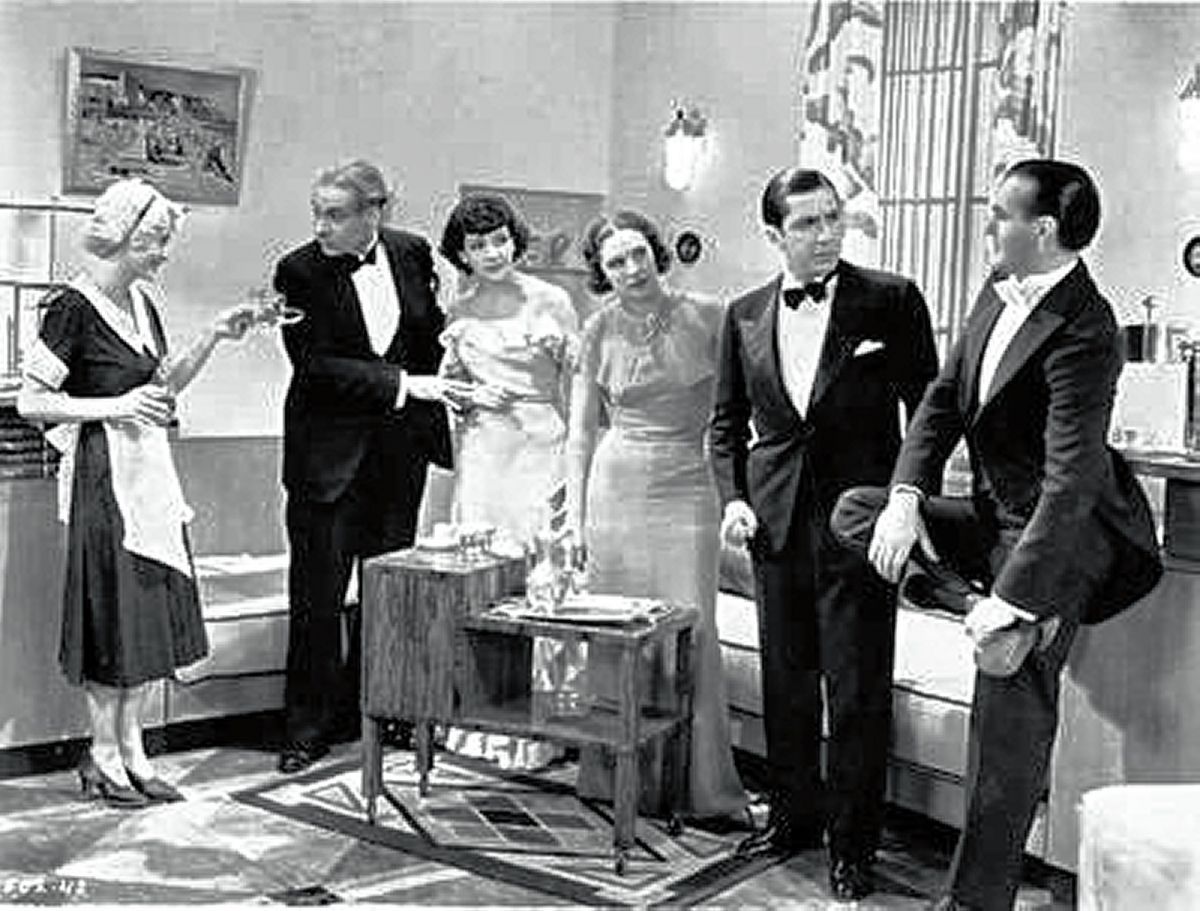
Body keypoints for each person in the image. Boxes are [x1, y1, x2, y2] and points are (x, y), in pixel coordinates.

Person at [832, 159, 1164, 911]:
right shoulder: (997, 286)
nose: (988, 226)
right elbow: (943, 399)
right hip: (992, 518)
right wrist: (907, 497)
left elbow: (1070, 481)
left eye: (999, 215)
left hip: (1058, 535)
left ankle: (973, 904)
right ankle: (972, 606)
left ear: (1041, 230)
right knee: (857, 510)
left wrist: (1016, 599)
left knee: (1006, 721)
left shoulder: (1088, 328)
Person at [708, 167, 939, 900]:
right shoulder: (743, 313)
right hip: (772, 524)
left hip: (860, 526)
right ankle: (792, 821)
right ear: (773, 235)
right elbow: (725, 425)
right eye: (807, 223)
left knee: (857, 689)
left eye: (834, 217)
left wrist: (906, 504)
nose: (827, 234)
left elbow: (928, 417)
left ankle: (853, 846)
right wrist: (733, 499)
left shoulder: (891, 300)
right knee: (787, 685)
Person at [17, 178, 257, 807]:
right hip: (104, 477)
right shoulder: (72, 308)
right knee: (112, 612)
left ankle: (133, 748)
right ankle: (101, 752)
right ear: (121, 237)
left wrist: (213, 334)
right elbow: (33, 401)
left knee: (147, 611)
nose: (163, 252)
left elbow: (163, 385)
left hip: (151, 474)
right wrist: (114, 406)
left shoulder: (143, 305)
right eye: (154, 240)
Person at [274, 159, 464, 774]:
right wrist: (407, 385)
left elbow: (430, 337)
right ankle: (306, 729)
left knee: (387, 596)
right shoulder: (297, 271)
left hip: (398, 458)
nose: (320, 227)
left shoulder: (412, 254)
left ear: (375, 213)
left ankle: (379, 713)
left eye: (334, 215)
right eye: (317, 214)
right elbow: (315, 366)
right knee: (317, 600)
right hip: (326, 463)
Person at [566, 209, 749, 825]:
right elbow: (580, 433)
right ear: (602, 272)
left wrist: (741, 490)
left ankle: (701, 788)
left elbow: (739, 413)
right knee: (615, 632)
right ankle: (618, 781)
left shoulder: (711, 316)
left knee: (692, 632)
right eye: (616, 262)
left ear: (656, 251)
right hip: (615, 491)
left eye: (638, 253)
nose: (631, 269)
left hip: (688, 487)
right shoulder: (597, 328)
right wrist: (574, 518)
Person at [436, 193, 580, 771]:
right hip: (484, 453)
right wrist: (470, 396)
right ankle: (481, 716)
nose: (492, 252)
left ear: (515, 241)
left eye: (499, 240)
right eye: (478, 245)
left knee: (546, 575)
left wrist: (580, 458)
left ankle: (554, 719)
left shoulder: (552, 300)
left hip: (540, 446)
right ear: (462, 254)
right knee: (481, 577)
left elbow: (579, 384)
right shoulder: (459, 308)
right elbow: (450, 388)